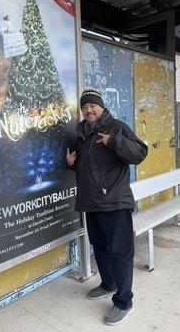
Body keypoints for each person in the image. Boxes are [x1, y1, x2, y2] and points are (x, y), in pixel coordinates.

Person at [66, 88, 148, 326]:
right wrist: (72, 164)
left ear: (101, 106)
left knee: (120, 253)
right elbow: (91, 166)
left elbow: (140, 153)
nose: (89, 110)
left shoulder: (117, 127)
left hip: (114, 202)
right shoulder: (82, 132)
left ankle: (124, 301)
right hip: (91, 203)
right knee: (100, 246)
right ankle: (108, 283)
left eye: (92, 105)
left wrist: (113, 142)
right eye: (84, 107)